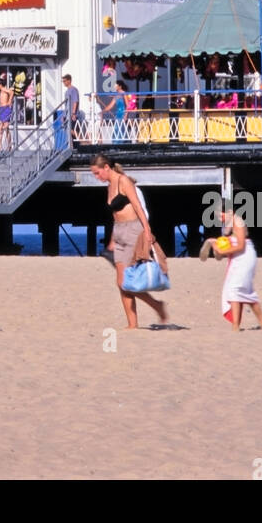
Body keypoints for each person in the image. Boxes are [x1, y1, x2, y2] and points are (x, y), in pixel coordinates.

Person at [91, 154, 168, 330]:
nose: (97, 177)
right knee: (121, 282)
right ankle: (133, 323)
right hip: (119, 232)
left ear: (106, 168)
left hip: (133, 230)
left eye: (97, 173)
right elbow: (114, 216)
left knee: (124, 281)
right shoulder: (109, 186)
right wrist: (112, 239)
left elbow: (138, 206)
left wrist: (147, 231)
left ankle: (156, 306)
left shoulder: (124, 181)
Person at [200, 208, 262, 330]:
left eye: (221, 215)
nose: (219, 218)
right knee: (246, 291)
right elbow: (231, 242)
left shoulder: (238, 222)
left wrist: (221, 251)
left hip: (245, 257)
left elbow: (241, 246)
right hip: (238, 258)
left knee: (234, 289)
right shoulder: (228, 225)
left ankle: (235, 326)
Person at [61, 73, 82, 143]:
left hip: (73, 115)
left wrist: (73, 113)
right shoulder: (66, 91)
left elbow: (75, 102)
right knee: (68, 130)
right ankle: (73, 146)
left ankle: (83, 142)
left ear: (69, 81)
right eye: (63, 81)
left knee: (73, 130)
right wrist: (64, 115)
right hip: (67, 115)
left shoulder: (74, 90)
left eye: (64, 81)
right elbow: (66, 105)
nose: (63, 83)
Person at [0, 77, 13, 150]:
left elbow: (11, 92)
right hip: (2, 109)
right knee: (0, 128)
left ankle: (8, 144)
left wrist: (9, 101)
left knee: (5, 127)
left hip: (6, 109)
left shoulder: (4, 89)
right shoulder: (1, 91)